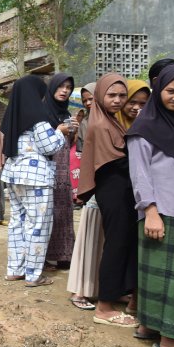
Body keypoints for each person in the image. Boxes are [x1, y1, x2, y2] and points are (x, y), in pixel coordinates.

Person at [126, 64, 174, 347]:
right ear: (159, 90)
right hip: (159, 211)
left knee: (161, 274)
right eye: (171, 91)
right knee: (170, 278)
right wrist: (150, 210)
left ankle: (148, 326)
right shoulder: (144, 128)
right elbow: (140, 173)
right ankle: (172, 339)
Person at [78, 74, 138, 327]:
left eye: (122, 96)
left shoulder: (112, 120)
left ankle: (116, 294)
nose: (117, 100)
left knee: (121, 242)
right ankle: (104, 308)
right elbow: (116, 161)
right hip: (112, 188)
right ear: (101, 95)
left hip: (118, 188)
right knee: (116, 243)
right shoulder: (100, 124)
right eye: (111, 95)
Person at [0, 75, 70, 287]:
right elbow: (49, 147)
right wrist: (60, 132)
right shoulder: (38, 117)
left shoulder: (12, 116)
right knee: (38, 225)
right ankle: (33, 275)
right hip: (36, 178)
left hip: (13, 176)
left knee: (17, 224)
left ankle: (15, 269)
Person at [67, 82, 103, 310]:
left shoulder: (116, 120)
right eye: (86, 100)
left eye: (93, 98)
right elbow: (82, 156)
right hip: (95, 189)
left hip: (115, 190)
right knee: (90, 237)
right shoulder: (86, 124)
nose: (89, 103)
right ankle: (81, 289)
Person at [44, 73, 79, 270]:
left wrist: (73, 131)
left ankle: (65, 255)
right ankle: (44, 256)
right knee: (47, 212)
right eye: (60, 86)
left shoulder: (67, 114)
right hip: (48, 170)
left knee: (64, 212)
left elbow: (70, 143)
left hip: (63, 172)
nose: (64, 90)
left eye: (68, 87)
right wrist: (58, 130)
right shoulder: (41, 113)